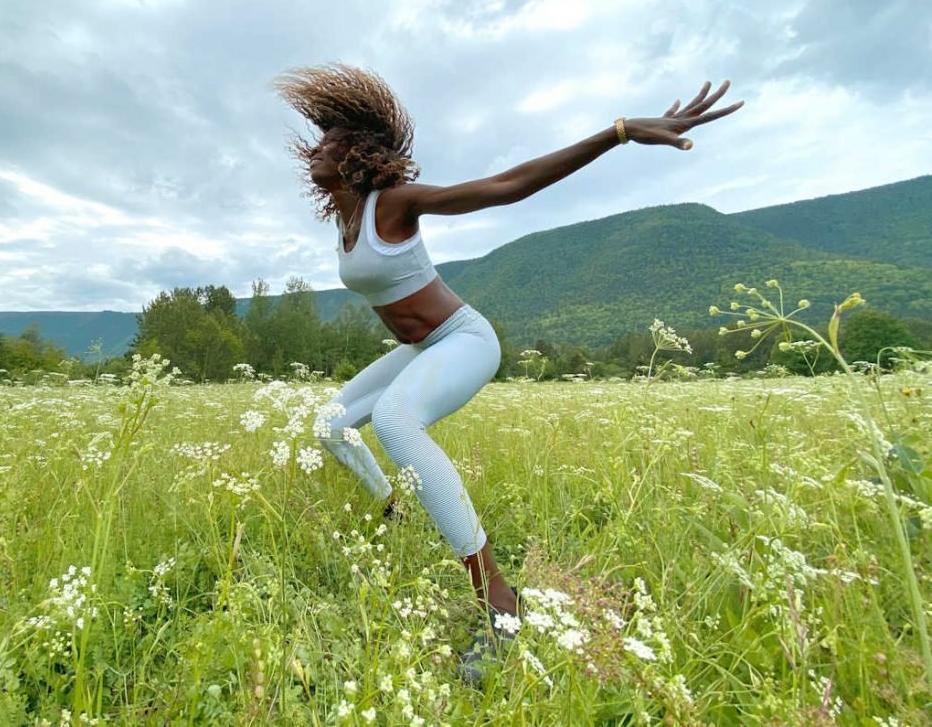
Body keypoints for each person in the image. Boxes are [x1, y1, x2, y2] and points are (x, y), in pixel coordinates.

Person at [275, 63, 742, 673]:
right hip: (421, 349)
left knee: (394, 420)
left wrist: (619, 131)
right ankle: (394, 510)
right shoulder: (346, 219)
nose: (321, 148)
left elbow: (505, 187)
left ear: (361, 154)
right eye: (322, 138)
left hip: (464, 339)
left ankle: (498, 598)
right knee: (330, 427)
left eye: (335, 141)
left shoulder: (392, 204)